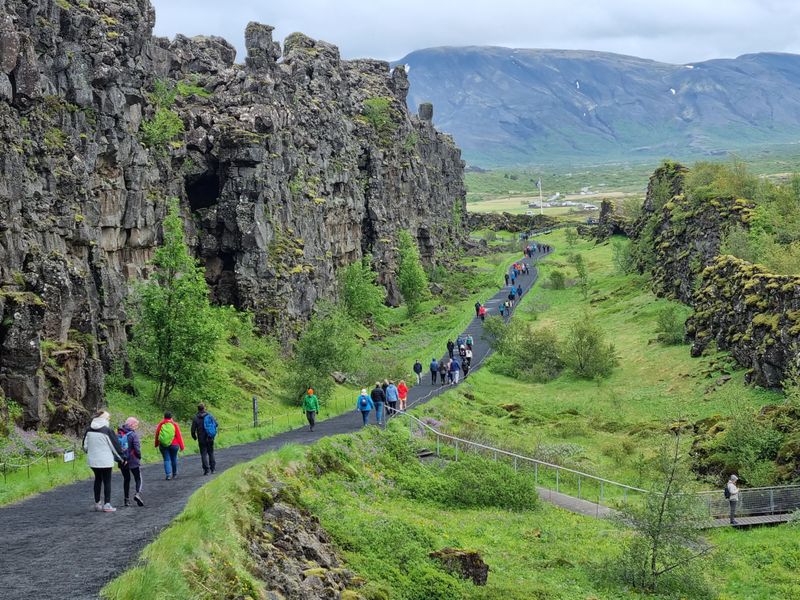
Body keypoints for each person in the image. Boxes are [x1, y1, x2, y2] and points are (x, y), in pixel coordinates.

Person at [83, 410, 124, 512]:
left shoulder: (89, 430)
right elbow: (115, 446)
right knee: (107, 481)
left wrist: (92, 452)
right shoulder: (107, 430)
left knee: (97, 479)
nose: (109, 419)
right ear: (104, 419)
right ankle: (107, 504)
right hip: (105, 460)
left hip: (93, 460)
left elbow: (85, 446)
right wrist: (122, 458)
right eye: (108, 418)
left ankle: (97, 504)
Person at [118, 417, 143, 507]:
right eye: (136, 425)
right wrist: (139, 456)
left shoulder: (119, 433)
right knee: (138, 478)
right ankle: (137, 494)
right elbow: (137, 448)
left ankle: (126, 500)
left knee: (126, 479)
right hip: (133, 460)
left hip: (122, 460)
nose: (136, 427)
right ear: (132, 425)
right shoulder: (133, 435)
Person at [155, 412, 185, 481]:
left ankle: (168, 475)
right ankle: (174, 474)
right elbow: (178, 436)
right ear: (171, 417)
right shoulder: (174, 424)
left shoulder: (161, 424)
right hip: (174, 445)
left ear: (164, 417)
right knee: (174, 459)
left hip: (163, 445)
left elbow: (157, 435)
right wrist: (182, 446)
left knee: (166, 459)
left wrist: (156, 444)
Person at [191, 403, 218, 475]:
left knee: (203, 454)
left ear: (198, 409)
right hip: (210, 437)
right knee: (211, 453)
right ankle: (213, 469)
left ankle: (206, 470)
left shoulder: (196, 418)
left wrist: (194, 437)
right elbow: (216, 424)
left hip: (201, 438)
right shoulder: (210, 415)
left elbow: (193, 430)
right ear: (204, 408)